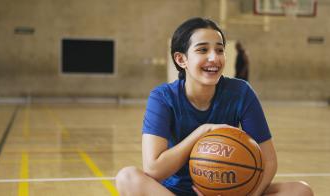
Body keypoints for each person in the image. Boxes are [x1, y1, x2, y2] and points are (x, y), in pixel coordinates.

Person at [115, 17, 313, 196]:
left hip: (231, 191)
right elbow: (153, 169)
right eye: (203, 50)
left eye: (219, 50)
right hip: (174, 192)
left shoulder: (241, 92)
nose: (214, 58)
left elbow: (269, 161)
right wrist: (204, 131)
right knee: (127, 178)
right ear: (181, 59)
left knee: (300, 191)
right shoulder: (163, 97)